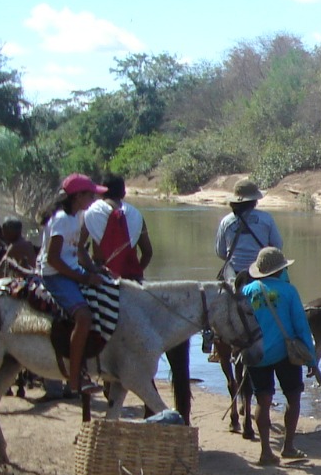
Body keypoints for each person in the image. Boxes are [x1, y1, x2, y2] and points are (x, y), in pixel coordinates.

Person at [86, 174, 193, 421]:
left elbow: (92, 253)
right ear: (124, 193)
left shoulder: (93, 213)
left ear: (102, 192)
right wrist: (136, 274)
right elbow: (148, 252)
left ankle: (90, 371)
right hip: (134, 282)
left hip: (106, 282)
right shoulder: (136, 215)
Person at [241, 246, 318, 465]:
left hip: (257, 354)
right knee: (293, 398)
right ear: (280, 270)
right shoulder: (289, 291)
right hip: (285, 353)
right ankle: (288, 446)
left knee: (263, 401)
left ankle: (266, 451)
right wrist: (311, 359)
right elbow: (301, 326)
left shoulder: (247, 291)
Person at [37, 173, 104, 395]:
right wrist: (83, 278)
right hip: (55, 275)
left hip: (70, 271)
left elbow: (76, 252)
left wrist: (94, 270)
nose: (94, 199)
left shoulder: (76, 217)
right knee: (83, 317)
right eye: (91, 195)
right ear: (78, 196)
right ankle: (75, 378)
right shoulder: (61, 220)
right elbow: (53, 259)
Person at [214, 179, 282, 285]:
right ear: (254, 200)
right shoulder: (266, 219)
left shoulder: (226, 221)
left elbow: (220, 252)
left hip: (234, 274)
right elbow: (278, 246)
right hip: (261, 271)